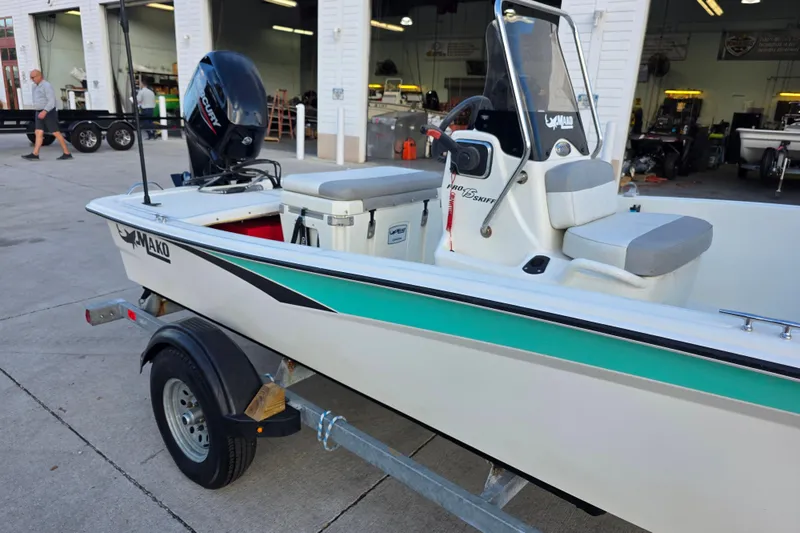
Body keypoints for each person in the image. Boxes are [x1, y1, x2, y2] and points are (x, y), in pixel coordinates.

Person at [21, 69, 72, 161]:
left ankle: (67, 153)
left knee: (55, 132)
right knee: (38, 132)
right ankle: (35, 154)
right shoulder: (34, 87)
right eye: (31, 77)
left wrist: (44, 111)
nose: (32, 79)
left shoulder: (46, 86)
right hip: (39, 112)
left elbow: (51, 101)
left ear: (40, 76)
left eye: (33, 77)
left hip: (48, 112)